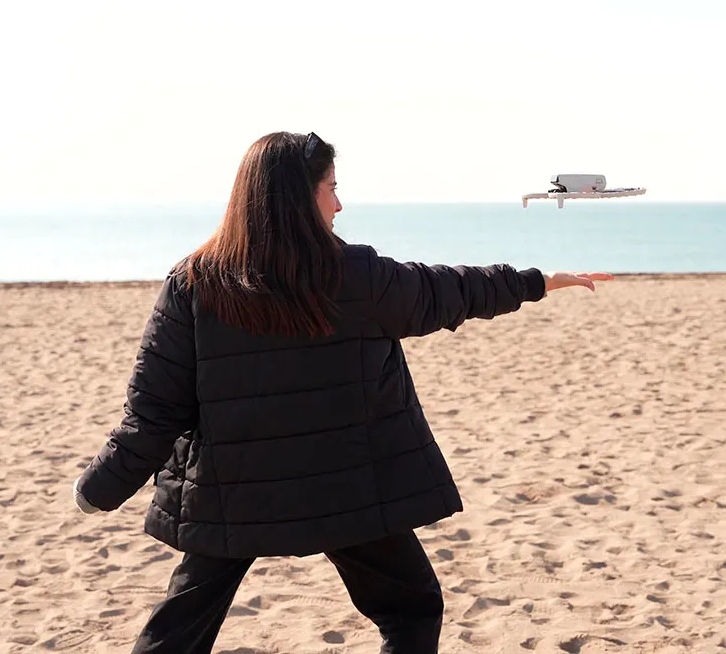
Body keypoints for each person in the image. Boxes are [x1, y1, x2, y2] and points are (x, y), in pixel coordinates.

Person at [71, 131, 613, 653]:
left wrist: (99, 489)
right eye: (331, 186)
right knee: (412, 610)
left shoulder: (195, 282)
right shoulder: (354, 275)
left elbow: (152, 413)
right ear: (297, 199)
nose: (340, 203)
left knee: (180, 628)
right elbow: (450, 291)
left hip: (236, 494)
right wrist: (538, 281)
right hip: (346, 488)